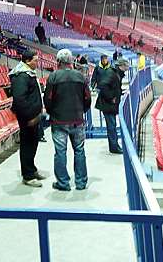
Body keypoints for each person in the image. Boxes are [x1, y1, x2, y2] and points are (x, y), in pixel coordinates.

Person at [44, 49, 91, 191]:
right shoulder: (80, 76)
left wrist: (53, 113)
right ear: (71, 61)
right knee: (79, 150)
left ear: (58, 62)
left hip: (59, 121)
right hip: (77, 120)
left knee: (60, 152)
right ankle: (81, 182)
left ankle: (63, 183)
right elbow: (87, 98)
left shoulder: (53, 77)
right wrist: (81, 111)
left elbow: (47, 100)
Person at [9, 49, 44, 187]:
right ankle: (27, 175)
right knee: (27, 145)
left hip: (33, 116)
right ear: (27, 61)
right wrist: (30, 117)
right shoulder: (21, 76)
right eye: (35, 60)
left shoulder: (27, 73)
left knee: (33, 143)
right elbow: (19, 99)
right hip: (27, 118)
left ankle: (32, 168)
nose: (37, 63)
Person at [95, 57, 130, 154]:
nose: (127, 68)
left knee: (112, 125)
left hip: (110, 104)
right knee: (111, 126)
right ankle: (114, 147)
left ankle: (114, 146)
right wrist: (111, 98)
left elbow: (113, 87)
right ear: (121, 66)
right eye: (126, 66)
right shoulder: (112, 73)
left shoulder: (116, 73)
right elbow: (103, 85)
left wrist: (120, 93)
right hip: (107, 104)